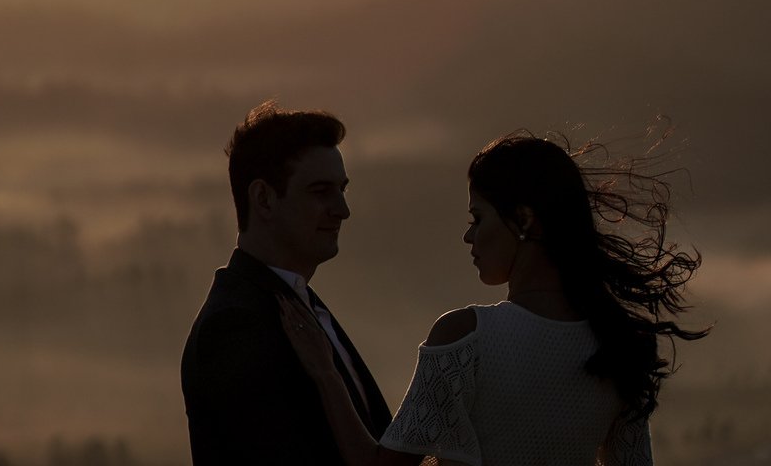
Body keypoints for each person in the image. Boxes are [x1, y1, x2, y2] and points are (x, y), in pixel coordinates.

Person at [279, 131, 708, 466]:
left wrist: (325, 372)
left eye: (477, 218)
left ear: (522, 219)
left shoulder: (466, 339)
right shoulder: (621, 345)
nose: (468, 236)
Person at [181, 101, 392, 466]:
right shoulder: (234, 327)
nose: (343, 210)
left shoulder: (297, 304)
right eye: (321, 191)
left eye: (342, 190)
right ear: (263, 199)